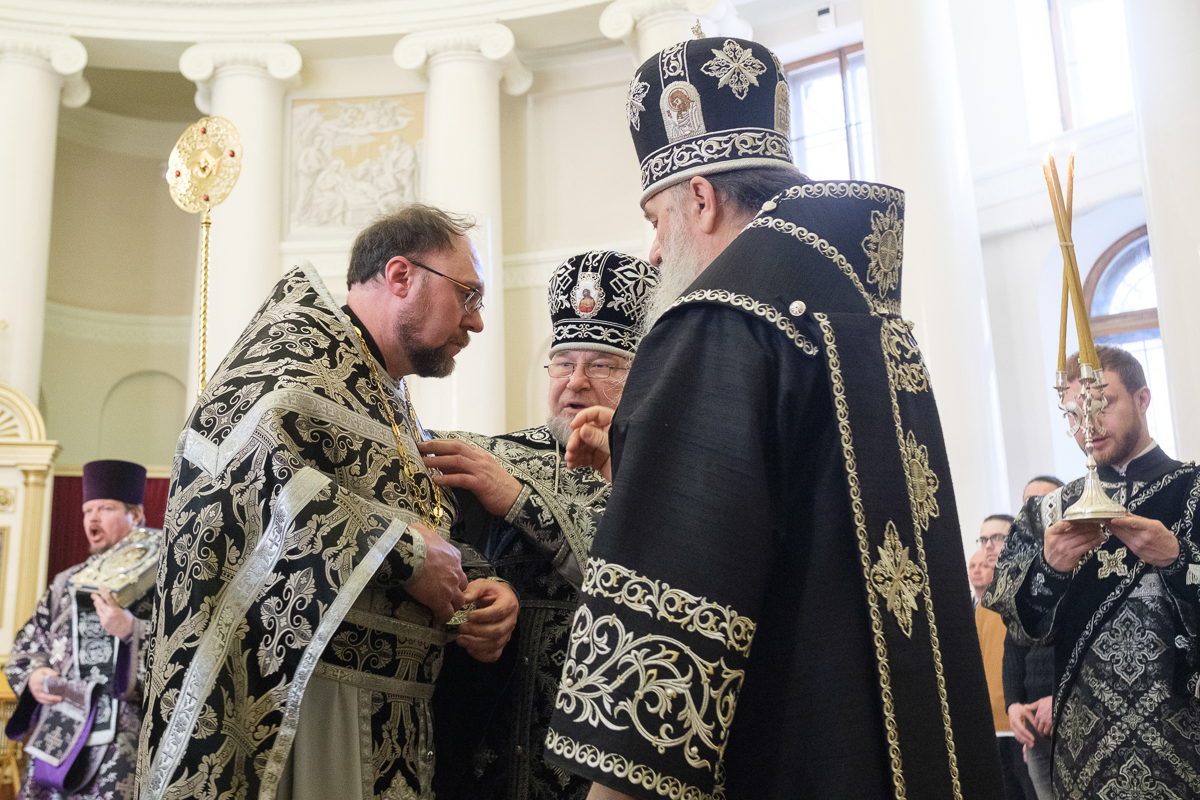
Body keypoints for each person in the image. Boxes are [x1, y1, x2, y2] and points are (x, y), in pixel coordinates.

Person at [545, 34, 1003, 800]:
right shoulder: (864, 313)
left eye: (657, 218)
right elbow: (804, 520)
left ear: (700, 196)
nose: (654, 253)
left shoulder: (718, 322)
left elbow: (665, 642)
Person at [137, 204, 520, 800]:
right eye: (467, 295)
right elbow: (258, 477)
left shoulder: (386, 393)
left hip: (399, 714)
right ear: (401, 277)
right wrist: (406, 555)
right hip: (307, 713)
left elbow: (419, 517)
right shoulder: (294, 353)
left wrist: (477, 587)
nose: (474, 322)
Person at [418, 250, 658, 800]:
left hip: (608, 755)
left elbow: (643, 578)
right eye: (563, 362)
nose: (575, 382)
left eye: (601, 365)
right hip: (491, 757)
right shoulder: (488, 458)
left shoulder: (662, 471)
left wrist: (519, 499)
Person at [985, 346, 1200, 799]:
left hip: (1184, 742)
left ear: (1142, 399)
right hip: (1085, 753)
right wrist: (1049, 569)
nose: (1089, 425)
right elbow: (1018, 627)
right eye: (1075, 413)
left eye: (1104, 405)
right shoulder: (1049, 512)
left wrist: (1177, 558)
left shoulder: (1193, 490)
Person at [6, 460, 151, 800]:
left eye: (106, 508)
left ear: (136, 515)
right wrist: (35, 675)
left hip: (125, 737)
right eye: (88, 510)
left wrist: (133, 630)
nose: (93, 519)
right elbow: (29, 643)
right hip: (61, 727)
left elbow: (187, 649)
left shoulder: (162, 576)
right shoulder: (64, 583)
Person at [1001, 476, 1063, 800]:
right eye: (1028, 503)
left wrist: (1061, 699)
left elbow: (1088, 646)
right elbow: (1013, 648)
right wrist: (1013, 705)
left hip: (1072, 714)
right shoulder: (1021, 569)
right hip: (1034, 727)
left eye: (1044, 502)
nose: (1034, 510)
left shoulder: (1084, 560)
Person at [972, 528, 1035, 800]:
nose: (988, 546)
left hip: (1028, 721)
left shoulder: (1032, 591)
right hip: (995, 722)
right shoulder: (984, 604)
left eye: (996, 537)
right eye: (983, 539)